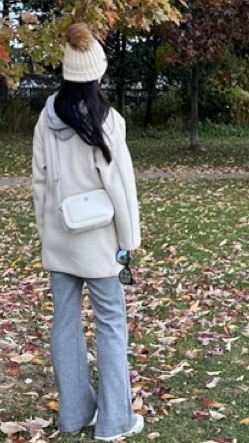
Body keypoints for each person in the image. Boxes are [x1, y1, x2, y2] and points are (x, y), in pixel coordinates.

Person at [32, 22, 143, 440]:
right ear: (97, 72)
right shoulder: (107, 120)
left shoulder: (47, 117)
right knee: (111, 323)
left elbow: (39, 183)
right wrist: (128, 242)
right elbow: (121, 188)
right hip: (101, 242)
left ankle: (75, 414)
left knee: (65, 323)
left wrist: (48, 234)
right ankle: (115, 421)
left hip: (61, 237)